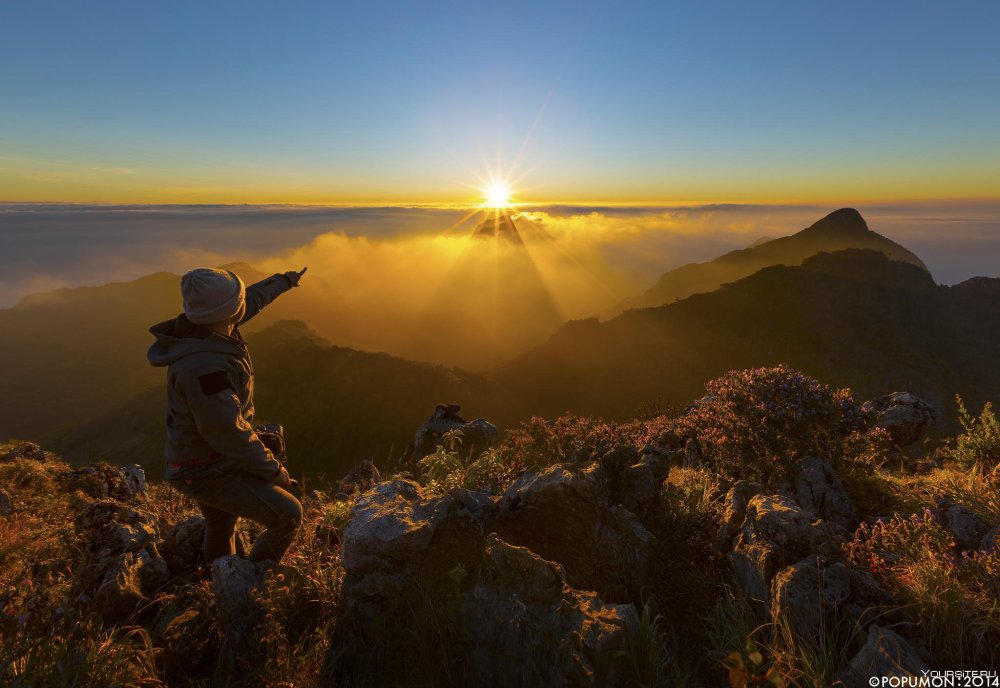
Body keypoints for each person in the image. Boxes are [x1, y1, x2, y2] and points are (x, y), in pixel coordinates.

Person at [147, 266, 307, 564]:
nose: (243, 306)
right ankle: (253, 585)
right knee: (288, 515)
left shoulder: (210, 329)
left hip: (200, 455)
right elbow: (228, 432)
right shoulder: (204, 368)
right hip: (202, 467)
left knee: (221, 523)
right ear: (228, 312)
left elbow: (252, 299)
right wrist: (274, 471)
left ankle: (218, 584)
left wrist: (283, 282)